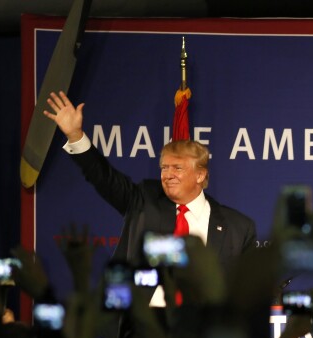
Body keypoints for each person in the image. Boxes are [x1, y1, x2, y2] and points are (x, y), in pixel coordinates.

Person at [42, 91, 257, 278]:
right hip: (146, 321)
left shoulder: (237, 227)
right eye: (164, 167)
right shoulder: (142, 200)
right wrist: (75, 135)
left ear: (200, 175)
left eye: (177, 168)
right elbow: (103, 177)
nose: (168, 174)